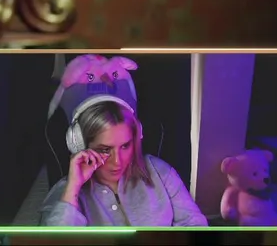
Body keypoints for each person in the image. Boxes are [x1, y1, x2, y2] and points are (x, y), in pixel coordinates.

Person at [40, 97, 208, 227]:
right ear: (80, 146)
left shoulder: (159, 172)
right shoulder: (64, 193)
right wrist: (72, 190)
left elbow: (195, 225)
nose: (118, 161)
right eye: (105, 149)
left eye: (125, 146)